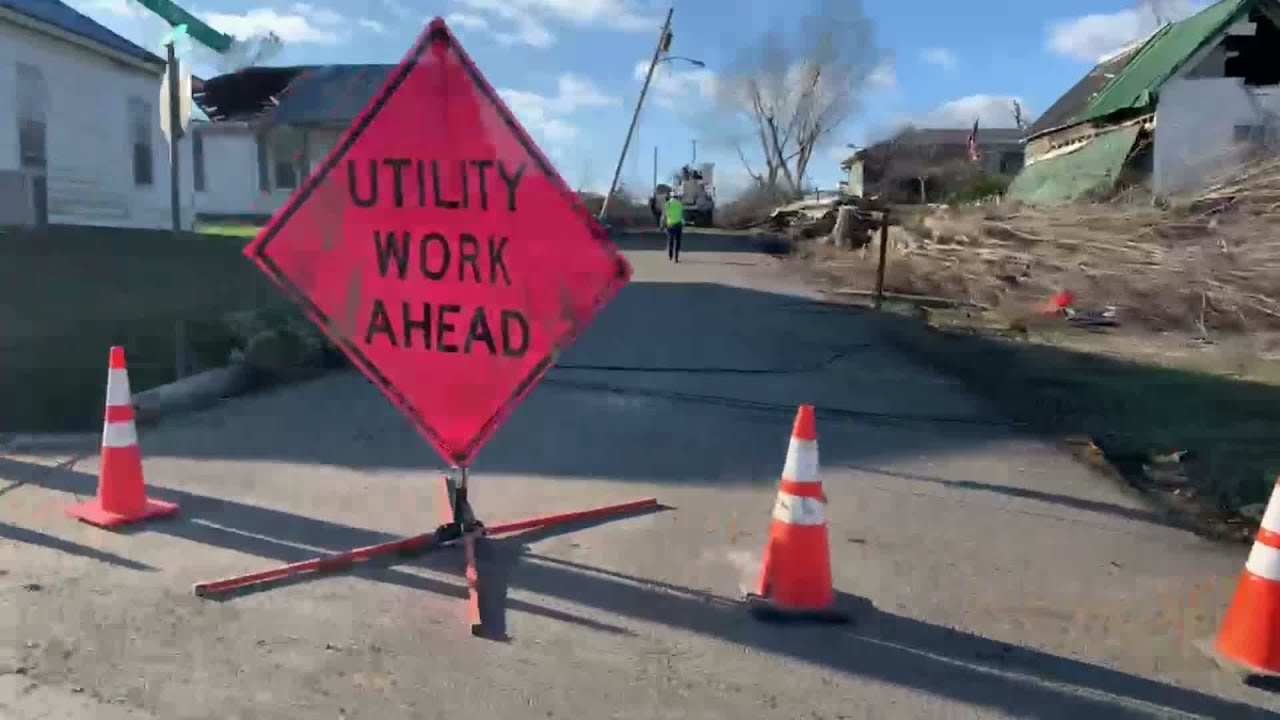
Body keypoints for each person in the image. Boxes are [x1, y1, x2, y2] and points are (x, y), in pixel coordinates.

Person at [663, 193, 684, 263]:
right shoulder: (679, 204)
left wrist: (663, 225)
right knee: (677, 241)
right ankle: (676, 258)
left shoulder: (667, 204)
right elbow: (681, 214)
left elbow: (665, 215)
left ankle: (670, 255)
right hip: (678, 224)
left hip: (670, 225)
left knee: (670, 240)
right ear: (677, 197)